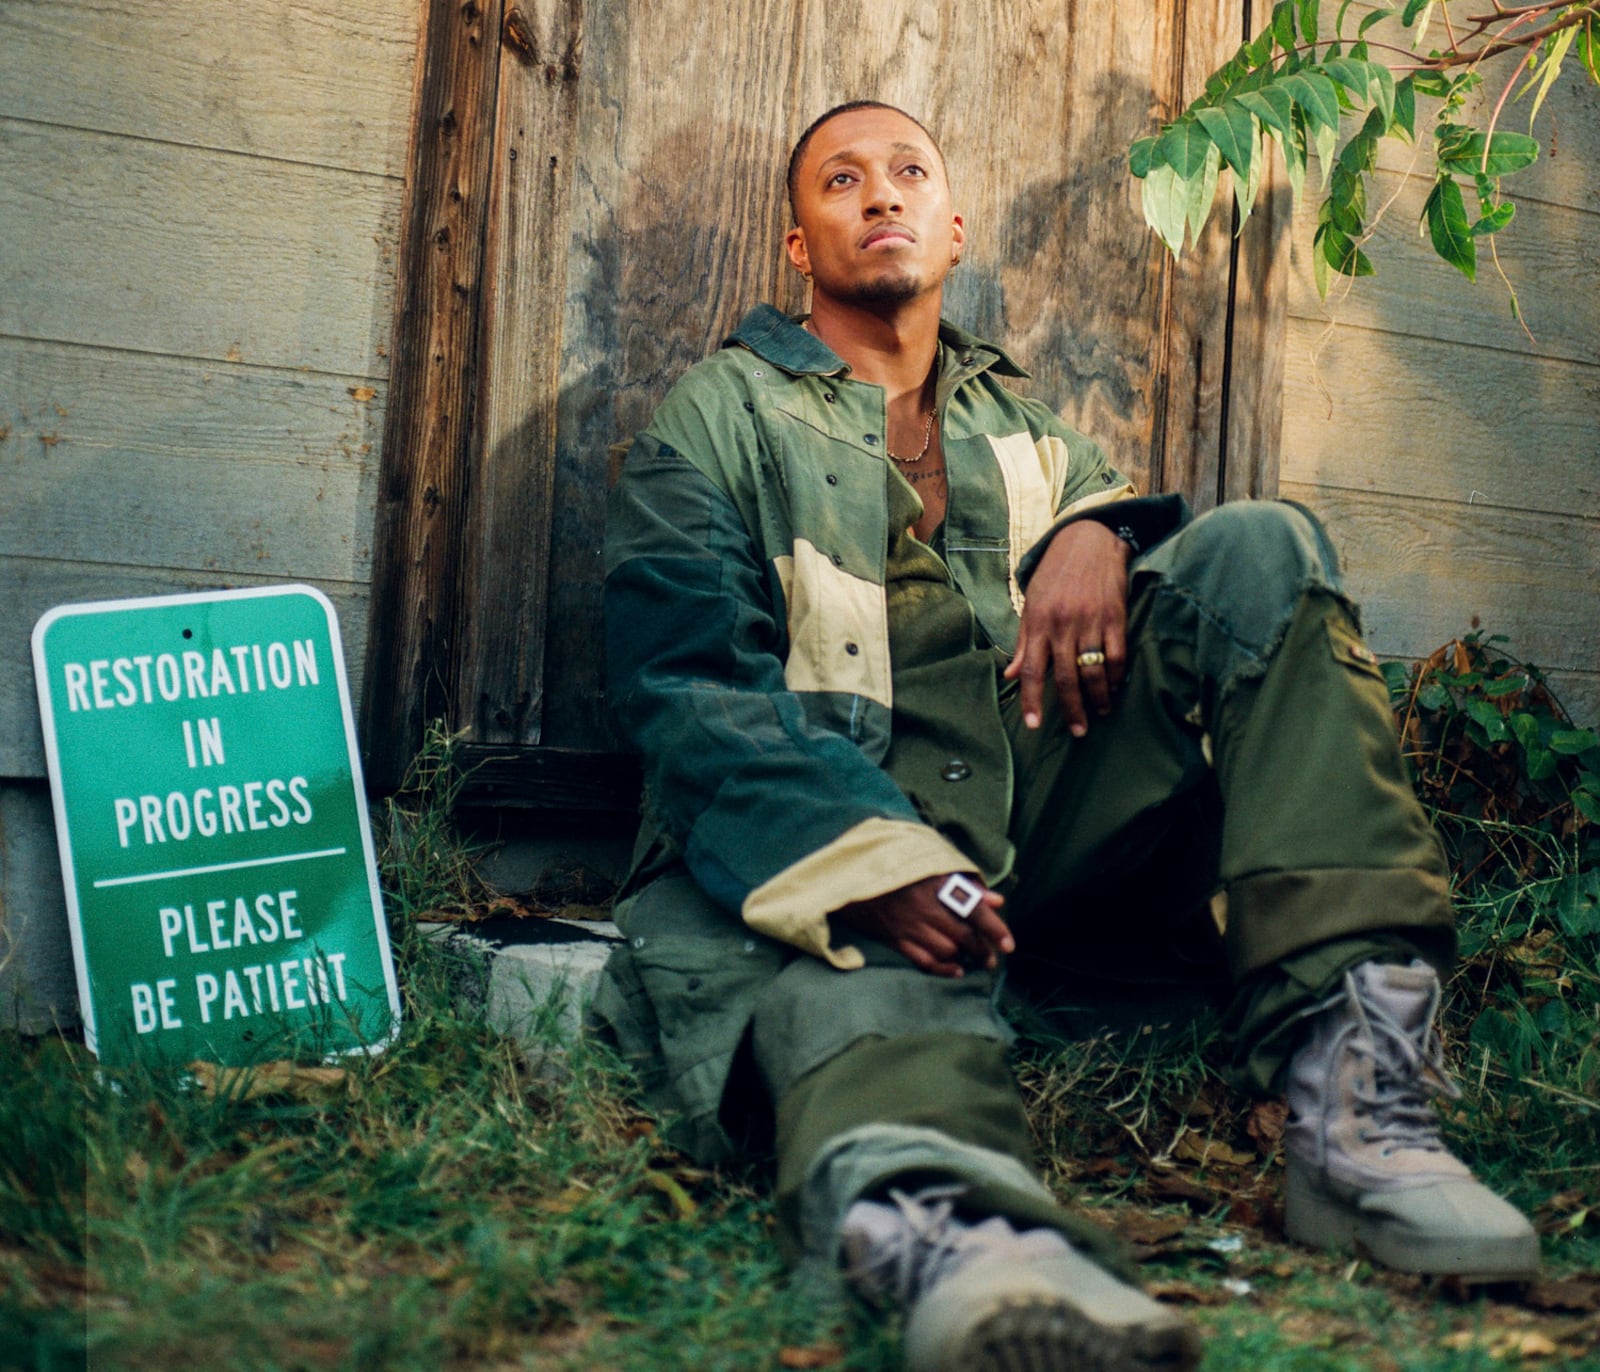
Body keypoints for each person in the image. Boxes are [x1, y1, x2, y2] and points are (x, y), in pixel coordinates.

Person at [592, 101, 1537, 1371]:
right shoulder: (716, 418)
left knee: (1260, 547)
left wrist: (1104, 529)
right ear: (797, 245)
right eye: (842, 181)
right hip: (847, 830)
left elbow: (1167, 567)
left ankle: (1352, 1094)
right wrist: (870, 857)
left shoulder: (1025, 429)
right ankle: (963, 1236)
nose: (881, 196)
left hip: (1042, 831)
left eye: (909, 172)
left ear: (953, 224)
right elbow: (682, 678)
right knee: (844, 985)